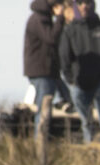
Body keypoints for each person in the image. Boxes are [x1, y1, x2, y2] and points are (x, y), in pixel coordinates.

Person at [59, 0, 100, 144]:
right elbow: (64, 57)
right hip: (78, 84)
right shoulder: (70, 30)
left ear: (93, 4)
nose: (84, 6)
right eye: (80, 2)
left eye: (87, 2)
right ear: (76, 6)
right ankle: (90, 148)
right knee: (86, 122)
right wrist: (71, 80)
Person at [23, 0, 72, 139]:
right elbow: (51, 38)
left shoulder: (43, 18)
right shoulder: (39, 19)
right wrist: (61, 18)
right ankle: (40, 142)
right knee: (44, 109)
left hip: (49, 71)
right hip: (41, 71)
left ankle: (45, 139)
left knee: (66, 98)